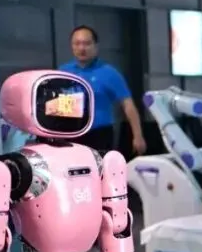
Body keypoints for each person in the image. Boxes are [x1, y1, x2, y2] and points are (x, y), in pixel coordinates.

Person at [59, 25, 146, 156]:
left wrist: (138, 136)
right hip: (70, 134)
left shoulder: (109, 73)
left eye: (87, 43)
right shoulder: (63, 71)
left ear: (96, 46)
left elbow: (128, 105)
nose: (81, 48)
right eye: (77, 43)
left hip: (100, 134)